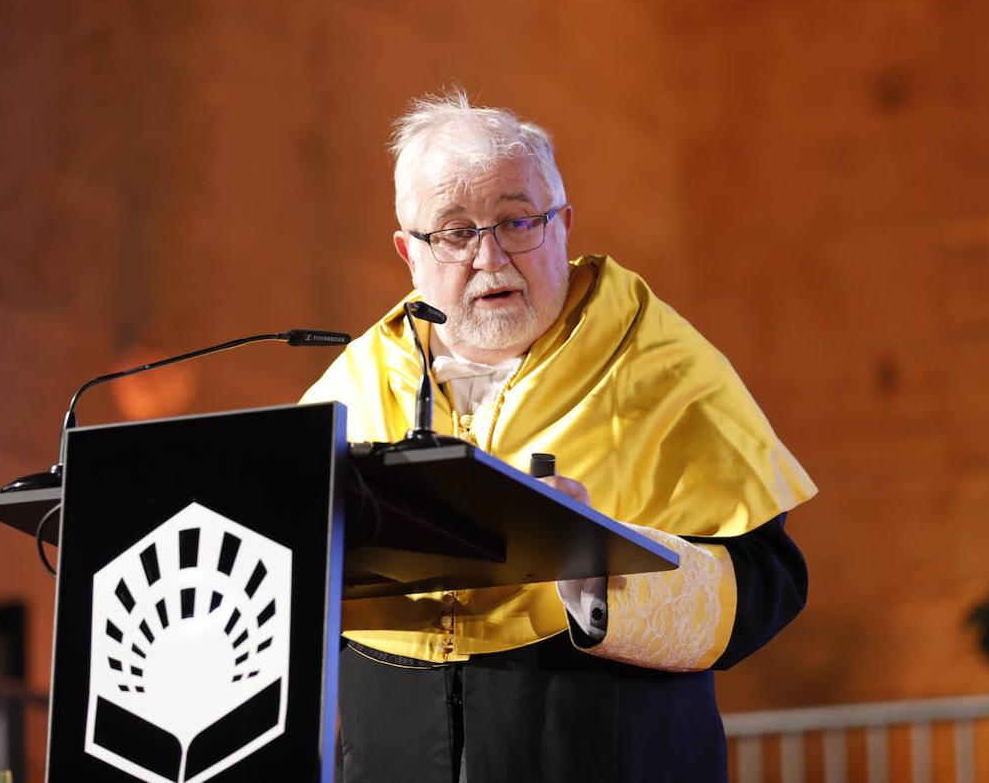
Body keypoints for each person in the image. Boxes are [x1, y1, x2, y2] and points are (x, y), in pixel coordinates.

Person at [302, 88, 817, 783]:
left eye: (516, 221)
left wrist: (602, 570)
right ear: (409, 252)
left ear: (563, 224)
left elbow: (769, 582)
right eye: (455, 232)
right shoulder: (351, 386)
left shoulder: (659, 363)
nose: (490, 258)